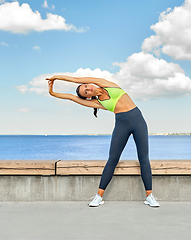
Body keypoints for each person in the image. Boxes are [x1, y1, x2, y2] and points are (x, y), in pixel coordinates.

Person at [46, 75, 160, 207]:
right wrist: (52, 93)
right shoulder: (97, 103)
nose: (88, 89)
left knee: (144, 158)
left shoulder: (105, 84)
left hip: (138, 121)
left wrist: (56, 77)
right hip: (121, 125)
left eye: (86, 86)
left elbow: (76, 79)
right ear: (88, 97)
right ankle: (99, 196)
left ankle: (149, 196)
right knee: (112, 159)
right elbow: (72, 98)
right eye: (86, 92)